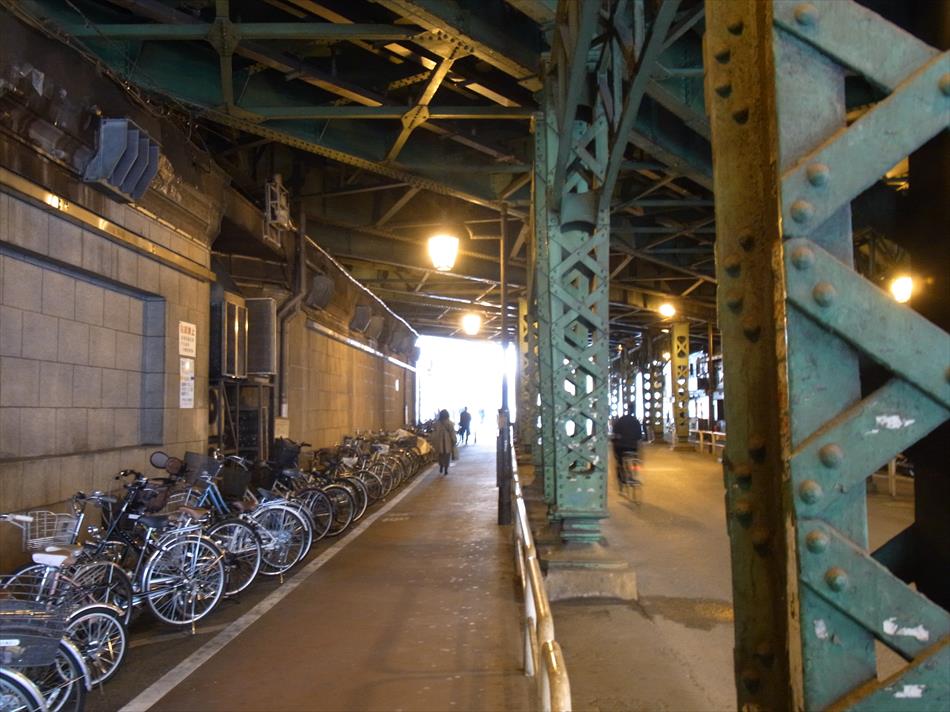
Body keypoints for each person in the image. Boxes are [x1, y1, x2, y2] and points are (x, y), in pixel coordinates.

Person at [612, 404, 643, 482]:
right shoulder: (636, 421)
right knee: (635, 456)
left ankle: (620, 472)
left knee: (619, 457)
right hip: (632, 447)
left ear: (627, 409)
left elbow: (615, 432)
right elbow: (639, 436)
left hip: (621, 446)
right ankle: (633, 472)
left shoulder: (621, 420)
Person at [432, 409, 457, 475]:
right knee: (447, 456)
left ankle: (441, 465)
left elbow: (434, 432)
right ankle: (446, 469)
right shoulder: (450, 423)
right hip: (447, 442)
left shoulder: (437, 423)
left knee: (440, 455)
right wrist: (454, 440)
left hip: (439, 442)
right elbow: (452, 433)